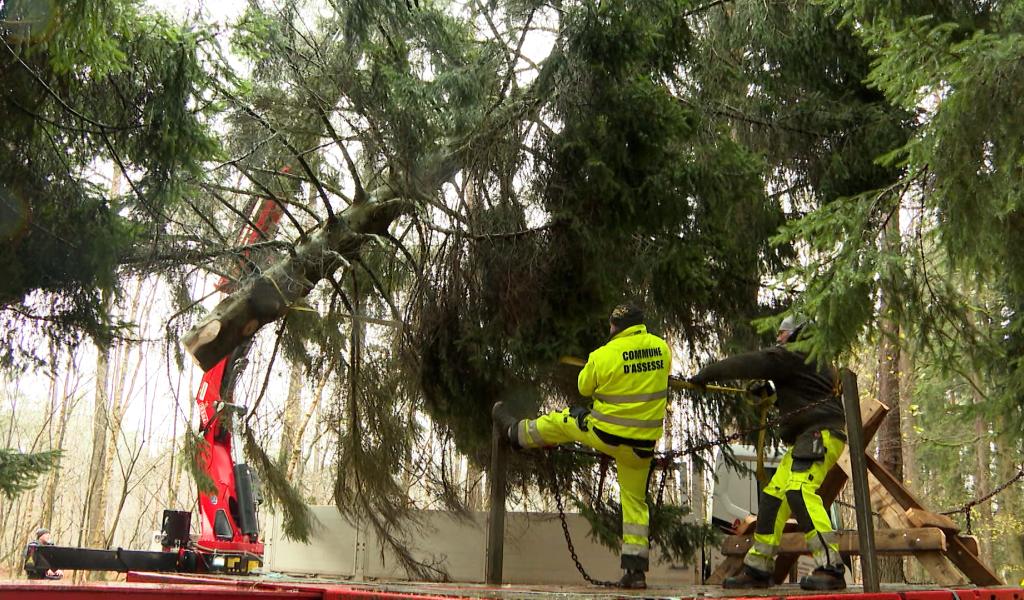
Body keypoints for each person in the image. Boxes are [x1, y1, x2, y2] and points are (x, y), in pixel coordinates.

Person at [492, 303, 671, 589]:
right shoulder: (662, 349)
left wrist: (599, 370)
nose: (610, 328)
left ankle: (518, 434)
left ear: (617, 326)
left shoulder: (603, 355)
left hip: (607, 435)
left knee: (563, 419)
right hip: (642, 447)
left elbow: (583, 387)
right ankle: (635, 571)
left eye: (612, 324)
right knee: (636, 504)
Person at [689, 315, 847, 591]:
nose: (778, 339)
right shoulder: (814, 360)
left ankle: (830, 567)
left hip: (818, 435)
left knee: (799, 490)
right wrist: (771, 394)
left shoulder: (799, 352)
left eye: (783, 333)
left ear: (797, 333)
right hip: (808, 436)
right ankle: (758, 568)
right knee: (774, 496)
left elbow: (756, 362)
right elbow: (804, 393)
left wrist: (708, 373)